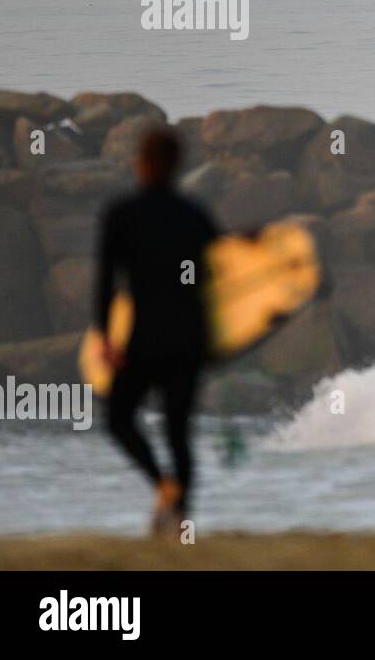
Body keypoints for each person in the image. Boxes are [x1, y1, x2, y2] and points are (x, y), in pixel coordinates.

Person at [95, 126, 219, 534]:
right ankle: (179, 518)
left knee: (118, 419)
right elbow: (223, 274)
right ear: (176, 165)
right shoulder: (195, 214)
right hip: (190, 337)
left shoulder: (122, 214)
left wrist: (103, 336)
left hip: (145, 338)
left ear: (142, 163)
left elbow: (106, 282)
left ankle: (162, 486)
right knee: (178, 432)